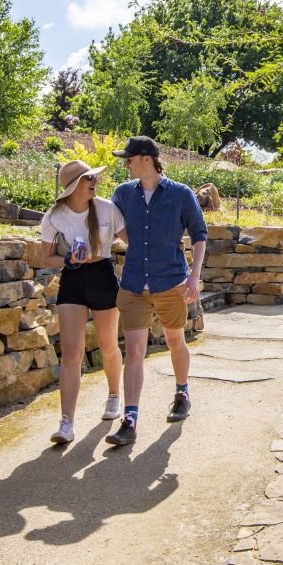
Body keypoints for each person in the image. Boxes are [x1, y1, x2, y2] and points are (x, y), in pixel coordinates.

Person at [105, 136, 207, 447]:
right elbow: (112, 224)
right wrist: (132, 242)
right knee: (134, 351)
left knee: (175, 340)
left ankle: (181, 392)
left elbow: (200, 235)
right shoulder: (123, 194)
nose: (126, 164)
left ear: (146, 159)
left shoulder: (180, 194)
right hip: (135, 283)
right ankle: (130, 420)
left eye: (130, 159)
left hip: (170, 282)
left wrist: (194, 277)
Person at [39, 159, 127, 445]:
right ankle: (66, 423)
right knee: (72, 354)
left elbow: (132, 241)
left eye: (95, 178)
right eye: (90, 178)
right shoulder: (54, 215)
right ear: (76, 184)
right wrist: (67, 258)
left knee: (108, 344)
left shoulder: (107, 209)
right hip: (73, 279)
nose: (95, 182)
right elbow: (44, 258)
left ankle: (114, 397)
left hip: (102, 275)